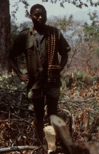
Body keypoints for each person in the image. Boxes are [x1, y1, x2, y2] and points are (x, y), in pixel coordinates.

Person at [7, 4, 71, 144]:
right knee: (38, 114)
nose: (41, 17)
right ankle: (39, 145)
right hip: (34, 82)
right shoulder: (25, 36)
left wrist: (59, 68)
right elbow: (10, 55)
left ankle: (53, 145)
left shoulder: (55, 33)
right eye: (37, 15)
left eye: (43, 14)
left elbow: (65, 54)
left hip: (52, 81)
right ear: (31, 16)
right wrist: (20, 74)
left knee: (53, 114)